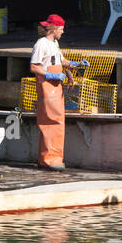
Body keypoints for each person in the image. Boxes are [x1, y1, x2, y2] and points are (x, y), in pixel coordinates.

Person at [29, 14, 84, 170]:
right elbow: (34, 66)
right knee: (50, 122)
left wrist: (74, 64)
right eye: (61, 29)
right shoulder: (42, 44)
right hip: (47, 86)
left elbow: (61, 61)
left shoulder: (55, 43)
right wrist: (51, 75)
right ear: (53, 29)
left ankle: (55, 158)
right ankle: (48, 160)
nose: (63, 31)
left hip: (56, 88)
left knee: (58, 121)